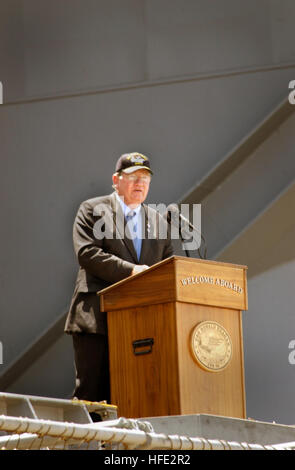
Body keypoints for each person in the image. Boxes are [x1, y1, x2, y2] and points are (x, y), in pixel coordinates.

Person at [65, 152, 174, 404]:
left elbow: (167, 270)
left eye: (145, 177)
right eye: (133, 176)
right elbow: (87, 253)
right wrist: (131, 271)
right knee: (93, 399)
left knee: (135, 398)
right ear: (116, 180)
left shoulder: (159, 222)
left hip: (143, 326)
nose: (140, 183)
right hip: (97, 320)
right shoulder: (93, 209)